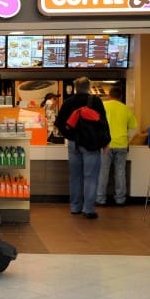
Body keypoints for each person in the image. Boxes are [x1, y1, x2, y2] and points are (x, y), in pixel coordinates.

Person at [54, 77, 110, 220]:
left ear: (75, 88)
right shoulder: (95, 101)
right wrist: (105, 142)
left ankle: (75, 207)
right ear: (89, 87)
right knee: (90, 177)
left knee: (75, 177)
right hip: (91, 144)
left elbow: (59, 123)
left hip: (74, 144)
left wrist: (70, 135)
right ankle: (89, 209)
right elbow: (103, 123)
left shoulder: (68, 102)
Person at [96, 86, 137, 206]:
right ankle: (120, 199)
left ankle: (100, 199)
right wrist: (127, 139)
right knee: (120, 172)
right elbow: (134, 128)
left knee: (103, 171)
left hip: (105, 144)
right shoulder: (126, 109)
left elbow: (96, 124)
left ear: (109, 95)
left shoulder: (102, 106)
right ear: (121, 96)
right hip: (122, 144)